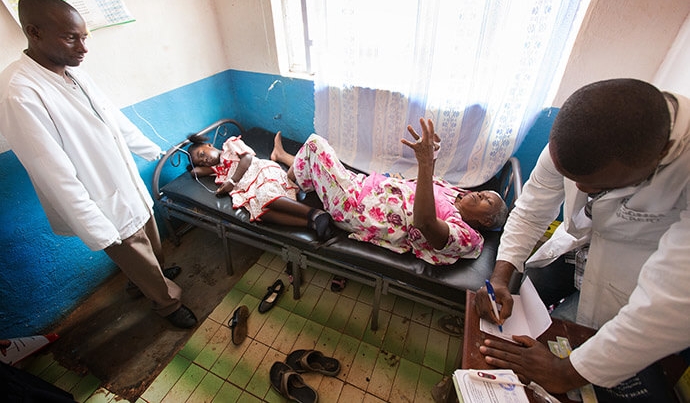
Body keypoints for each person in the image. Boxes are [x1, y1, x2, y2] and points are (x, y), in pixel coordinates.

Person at [474, 79, 690, 400]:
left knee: (569, 353)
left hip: (634, 289)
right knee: (520, 316)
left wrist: (565, 372)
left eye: (594, 185)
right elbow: (532, 209)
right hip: (573, 251)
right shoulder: (584, 135)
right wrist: (499, 279)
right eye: (572, 179)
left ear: (655, 159)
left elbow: (671, 305)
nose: (582, 192)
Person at [0, 0, 197, 329]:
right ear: (34, 32)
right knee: (132, 249)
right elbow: (52, 171)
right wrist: (93, 226)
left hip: (124, 182)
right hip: (99, 198)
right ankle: (166, 303)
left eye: (84, 36)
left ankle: (148, 279)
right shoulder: (20, 91)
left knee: (149, 238)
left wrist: (153, 150)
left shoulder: (71, 71)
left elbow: (112, 119)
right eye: (70, 37)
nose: (83, 47)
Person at [271, 118, 508, 265]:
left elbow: (426, 223)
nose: (479, 194)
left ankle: (288, 180)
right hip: (366, 188)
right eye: (484, 192)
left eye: (487, 200)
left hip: (356, 209)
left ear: (485, 220)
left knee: (315, 144)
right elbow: (421, 185)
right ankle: (283, 158)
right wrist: (431, 154)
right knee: (322, 164)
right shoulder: (454, 193)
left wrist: (427, 162)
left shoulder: (467, 237)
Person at [186, 133, 334, 240]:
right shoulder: (217, 169)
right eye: (201, 162)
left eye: (201, 154)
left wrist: (232, 182)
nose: (204, 160)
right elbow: (194, 172)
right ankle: (313, 225)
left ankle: (316, 214)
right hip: (251, 189)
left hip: (261, 173)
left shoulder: (229, 145)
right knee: (261, 213)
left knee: (266, 196)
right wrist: (194, 164)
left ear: (209, 145)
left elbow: (247, 157)